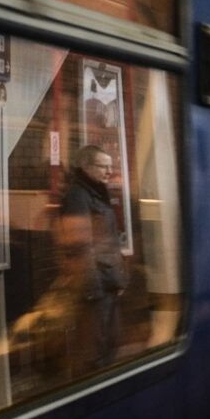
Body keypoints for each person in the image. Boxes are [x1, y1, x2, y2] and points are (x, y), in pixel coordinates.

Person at [59, 144, 128, 370]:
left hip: (107, 283)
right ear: (86, 166)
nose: (109, 172)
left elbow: (109, 242)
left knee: (110, 345)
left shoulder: (97, 192)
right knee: (96, 354)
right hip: (96, 289)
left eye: (111, 166)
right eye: (103, 166)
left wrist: (119, 279)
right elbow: (80, 247)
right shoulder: (78, 197)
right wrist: (92, 291)